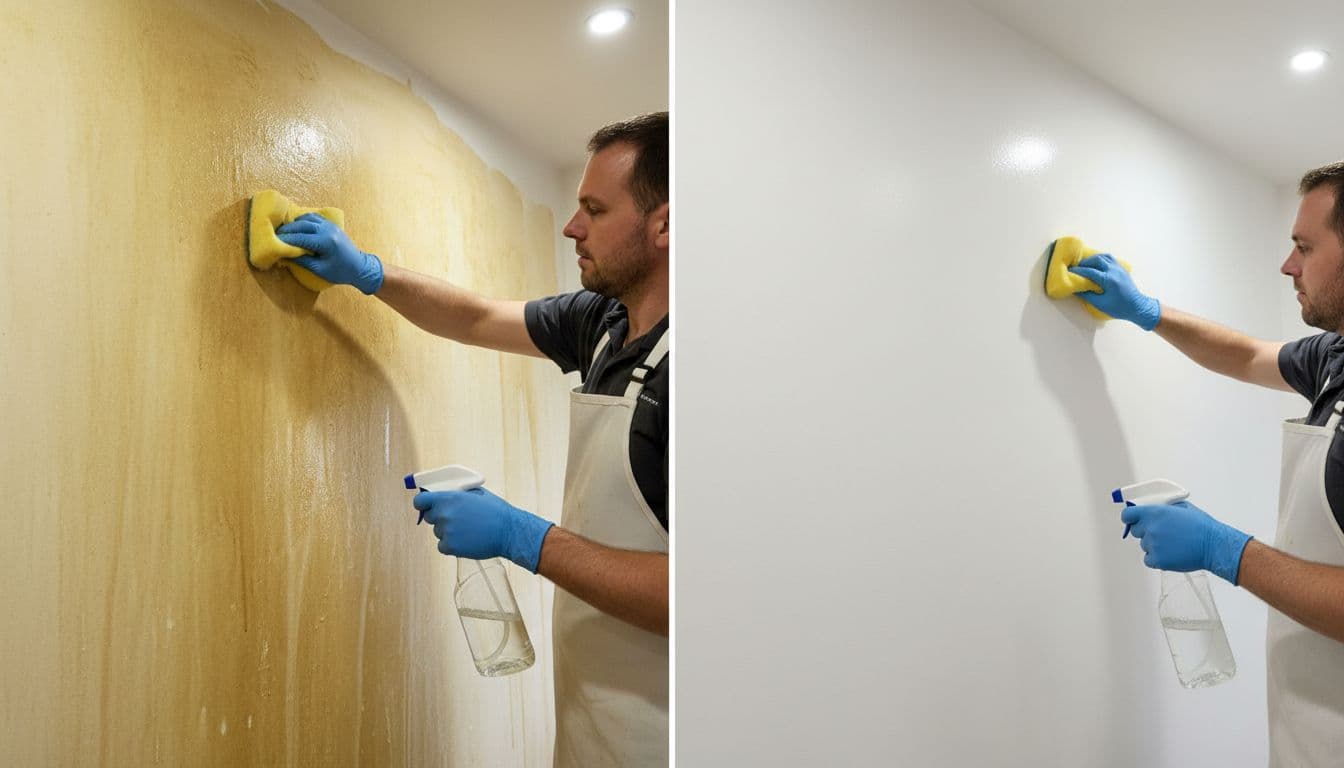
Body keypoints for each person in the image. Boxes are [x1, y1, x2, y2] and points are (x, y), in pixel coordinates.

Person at [274, 111, 670, 767]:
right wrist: (368, 271)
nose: (572, 228)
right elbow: (479, 317)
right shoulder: (602, 321)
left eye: (594, 210)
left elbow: (700, 599)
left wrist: (523, 535)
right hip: (592, 719)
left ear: (665, 224)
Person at [1068, 161, 1344, 766]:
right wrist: (1146, 311)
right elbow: (1247, 355)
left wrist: (1227, 549)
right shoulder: (1336, 357)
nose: (1287, 266)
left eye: (1304, 246)